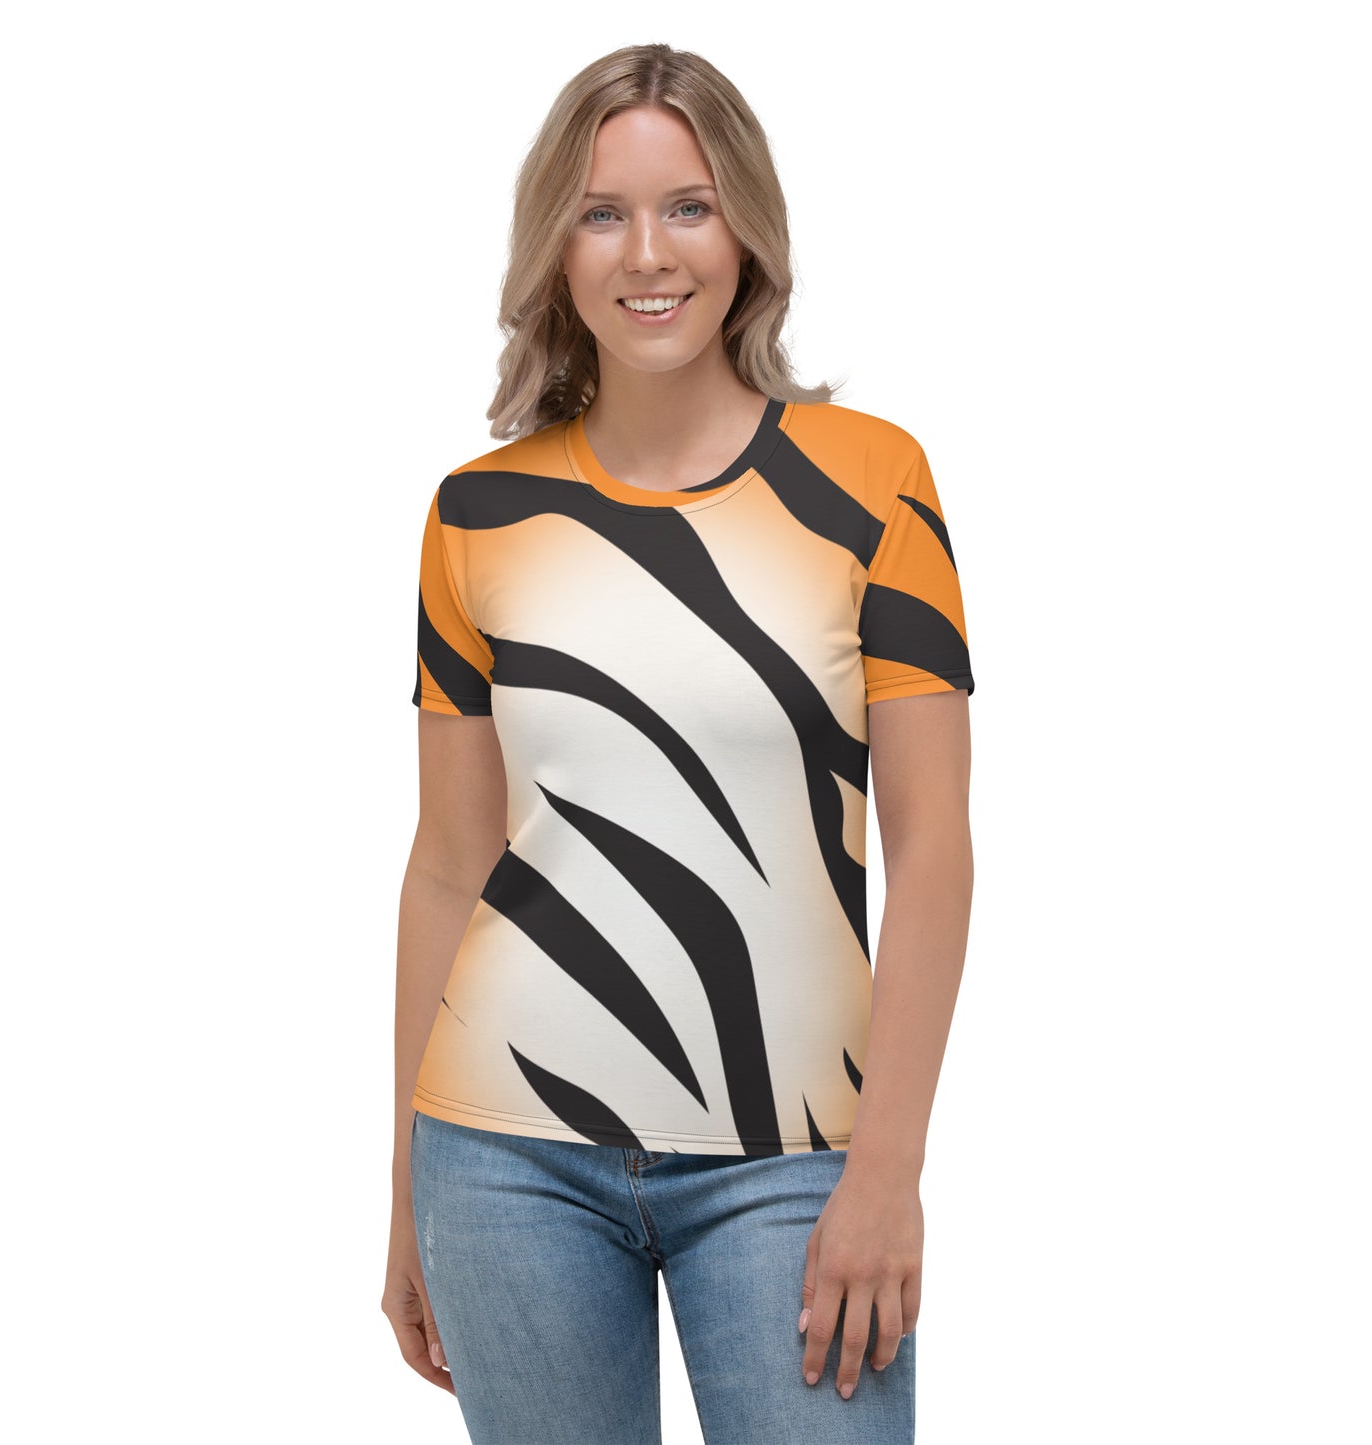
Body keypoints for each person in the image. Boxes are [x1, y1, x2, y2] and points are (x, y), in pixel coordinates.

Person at [383, 42, 975, 1445]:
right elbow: (447, 863)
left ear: (747, 229)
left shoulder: (872, 483)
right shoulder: (475, 513)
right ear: (557, 247)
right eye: (602, 213)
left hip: (796, 1161)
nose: (647, 253)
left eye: (688, 206)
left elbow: (934, 849)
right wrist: (405, 1190)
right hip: (503, 1156)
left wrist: (887, 1171)